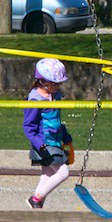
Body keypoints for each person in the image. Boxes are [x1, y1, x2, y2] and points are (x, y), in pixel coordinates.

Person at [23, 58, 73, 209]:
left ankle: (35, 206)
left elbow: (56, 120)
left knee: (47, 175)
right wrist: (39, 144)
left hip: (55, 142)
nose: (58, 87)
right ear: (43, 82)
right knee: (63, 173)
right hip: (45, 144)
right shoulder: (35, 100)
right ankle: (36, 198)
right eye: (55, 83)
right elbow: (28, 126)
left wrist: (65, 137)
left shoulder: (54, 97)